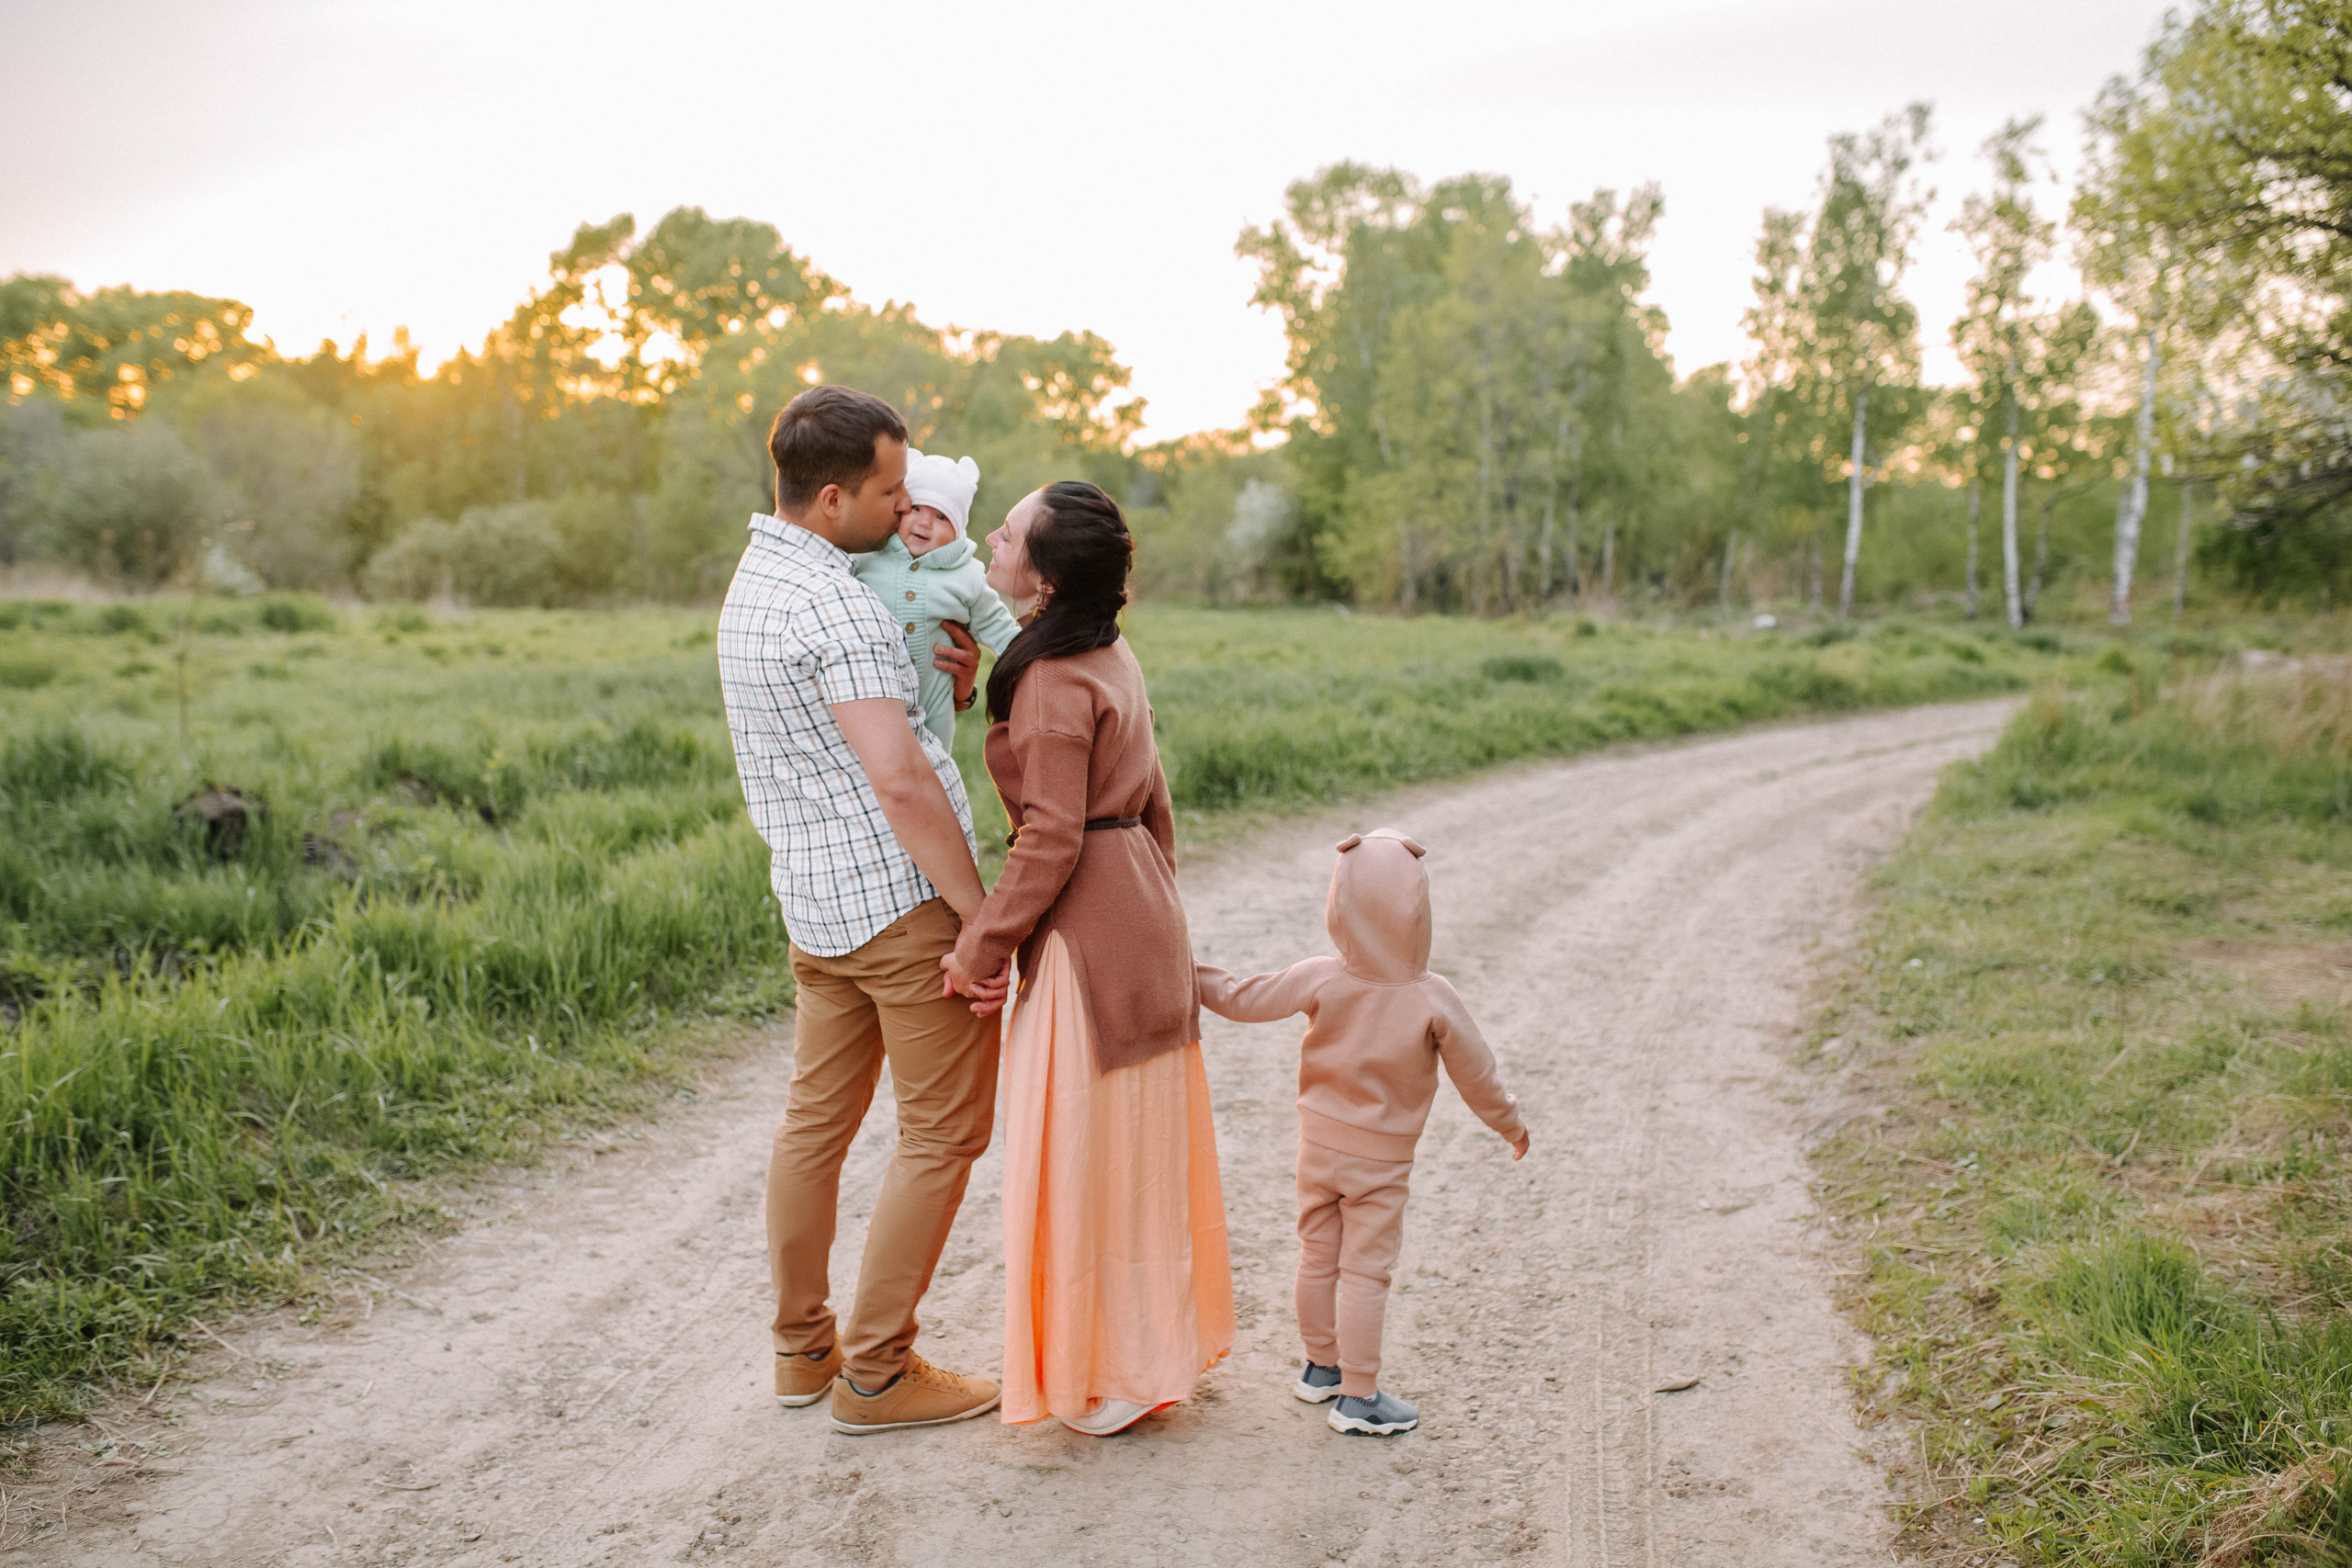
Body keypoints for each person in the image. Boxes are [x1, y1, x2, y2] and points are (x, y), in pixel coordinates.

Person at [714, 384, 1003, 1437]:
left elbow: (861, 736)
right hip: (898, 908)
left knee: (814, 1126)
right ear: (832, 497)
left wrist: (952, 692)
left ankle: (803, 1353)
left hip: (814, 906)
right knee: (943, 1133)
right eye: (888, 489)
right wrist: (979, 920)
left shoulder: (754, 586)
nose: (903, 505)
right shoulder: (835, 600)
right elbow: (901, 781)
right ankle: (877, 1373)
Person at [942, 481, 1235, 1437]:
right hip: (1142, 907)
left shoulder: (1057, 680)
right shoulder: (1107, 655)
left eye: (1009, 529)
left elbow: (1049, 838)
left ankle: (1104, 1367)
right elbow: (1154, 806)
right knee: (1138, 1150)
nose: (992, 534)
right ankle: (1146, 1351)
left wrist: (982, 945)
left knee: (1080, 1153)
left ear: (1047, 571)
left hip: (1085, 933)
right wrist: (1150, 904)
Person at [1193, 829, 1531, 1437]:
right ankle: (1361, 1395)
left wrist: (1186, 973)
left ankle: (1320, 1367)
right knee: (1366, 1271)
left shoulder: (1323, 975)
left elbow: (1244, 997)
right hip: (1380, 1162)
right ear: (1417, 909)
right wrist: (1510, 1122)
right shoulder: (1432, 996)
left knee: (1318, 1253)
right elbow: (1477, 1075)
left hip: (1317, 1147)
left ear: (1340, 902)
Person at [848, 447, 1023, 751]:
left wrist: (1030, 659)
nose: (924, 523)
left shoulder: (966, 575)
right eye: (916, 508)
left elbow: (999, 626)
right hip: (868, 700)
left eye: (941, 516)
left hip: (933, 713)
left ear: (958, 531)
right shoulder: (868, 556)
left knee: (931, 774)